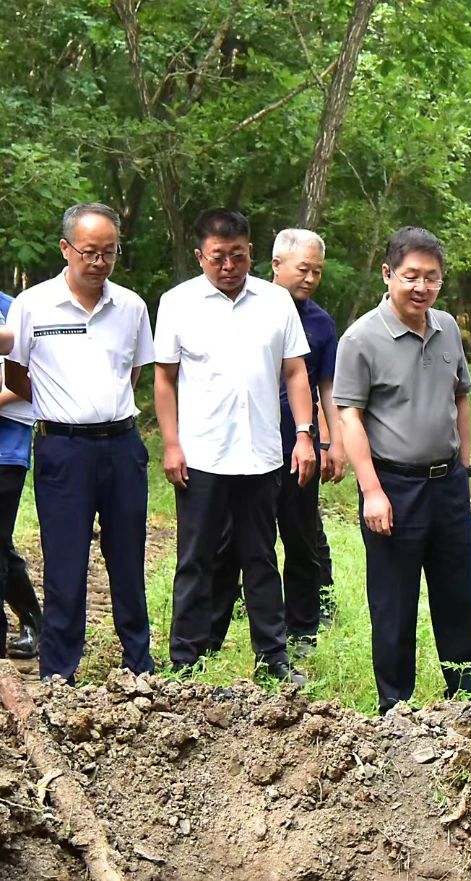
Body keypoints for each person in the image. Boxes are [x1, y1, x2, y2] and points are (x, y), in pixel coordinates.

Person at [154, 208, 315, 684]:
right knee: (195, 559)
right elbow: (165, 379)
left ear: (251, 251)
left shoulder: (275, 302)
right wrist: (171, 444)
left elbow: (295, 371)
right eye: (218, 257)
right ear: (200, 255)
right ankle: (185, 660)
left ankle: (273, 659)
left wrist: (304, 433)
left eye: (238, 256)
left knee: (261, 557)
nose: (229, 266)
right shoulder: (178, 303)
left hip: (261, 454)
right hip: (202, 455)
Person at [3, 202, 155, 682]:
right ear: (66, 248)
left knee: (127, 557)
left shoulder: (131, 306)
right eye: (89, 252)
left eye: (109, 252)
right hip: (62, 449)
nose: (99, 262)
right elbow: (16, 375)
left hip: (122, 445)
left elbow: (132, 373)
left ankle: (139, 665)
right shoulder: (33, 305)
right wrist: (62, 405)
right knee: (65, 562)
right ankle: (59, 673)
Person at [334, 227, 471, 715]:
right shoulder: (361, 338)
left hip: (448, 485)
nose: (422, 287)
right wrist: (371, 490)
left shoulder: (447, 327)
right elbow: (349, 416)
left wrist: (465, 466)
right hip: (393, 487)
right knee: (394, 603)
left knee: (457, 596)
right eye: (411, 276)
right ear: (388, 273)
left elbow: (461, 395)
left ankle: (467, 703)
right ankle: (395, 709)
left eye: (431, 277)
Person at [209, 228, 345, 655]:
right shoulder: (245, 307)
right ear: (276, 264)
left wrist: (332, 443)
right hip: (244, 446)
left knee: (301, 536)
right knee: (236, 541)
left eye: (317, 271)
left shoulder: (321, 323)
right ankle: (214, 632)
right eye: (303, 269)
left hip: (298, 446)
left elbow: (327, 387)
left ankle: (303, 628)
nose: (310, 278)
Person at [0, 292, 42, 661]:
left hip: (6, 448)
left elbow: (34, 376)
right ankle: (34, 622)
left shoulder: (16, 310)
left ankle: (30, 624)